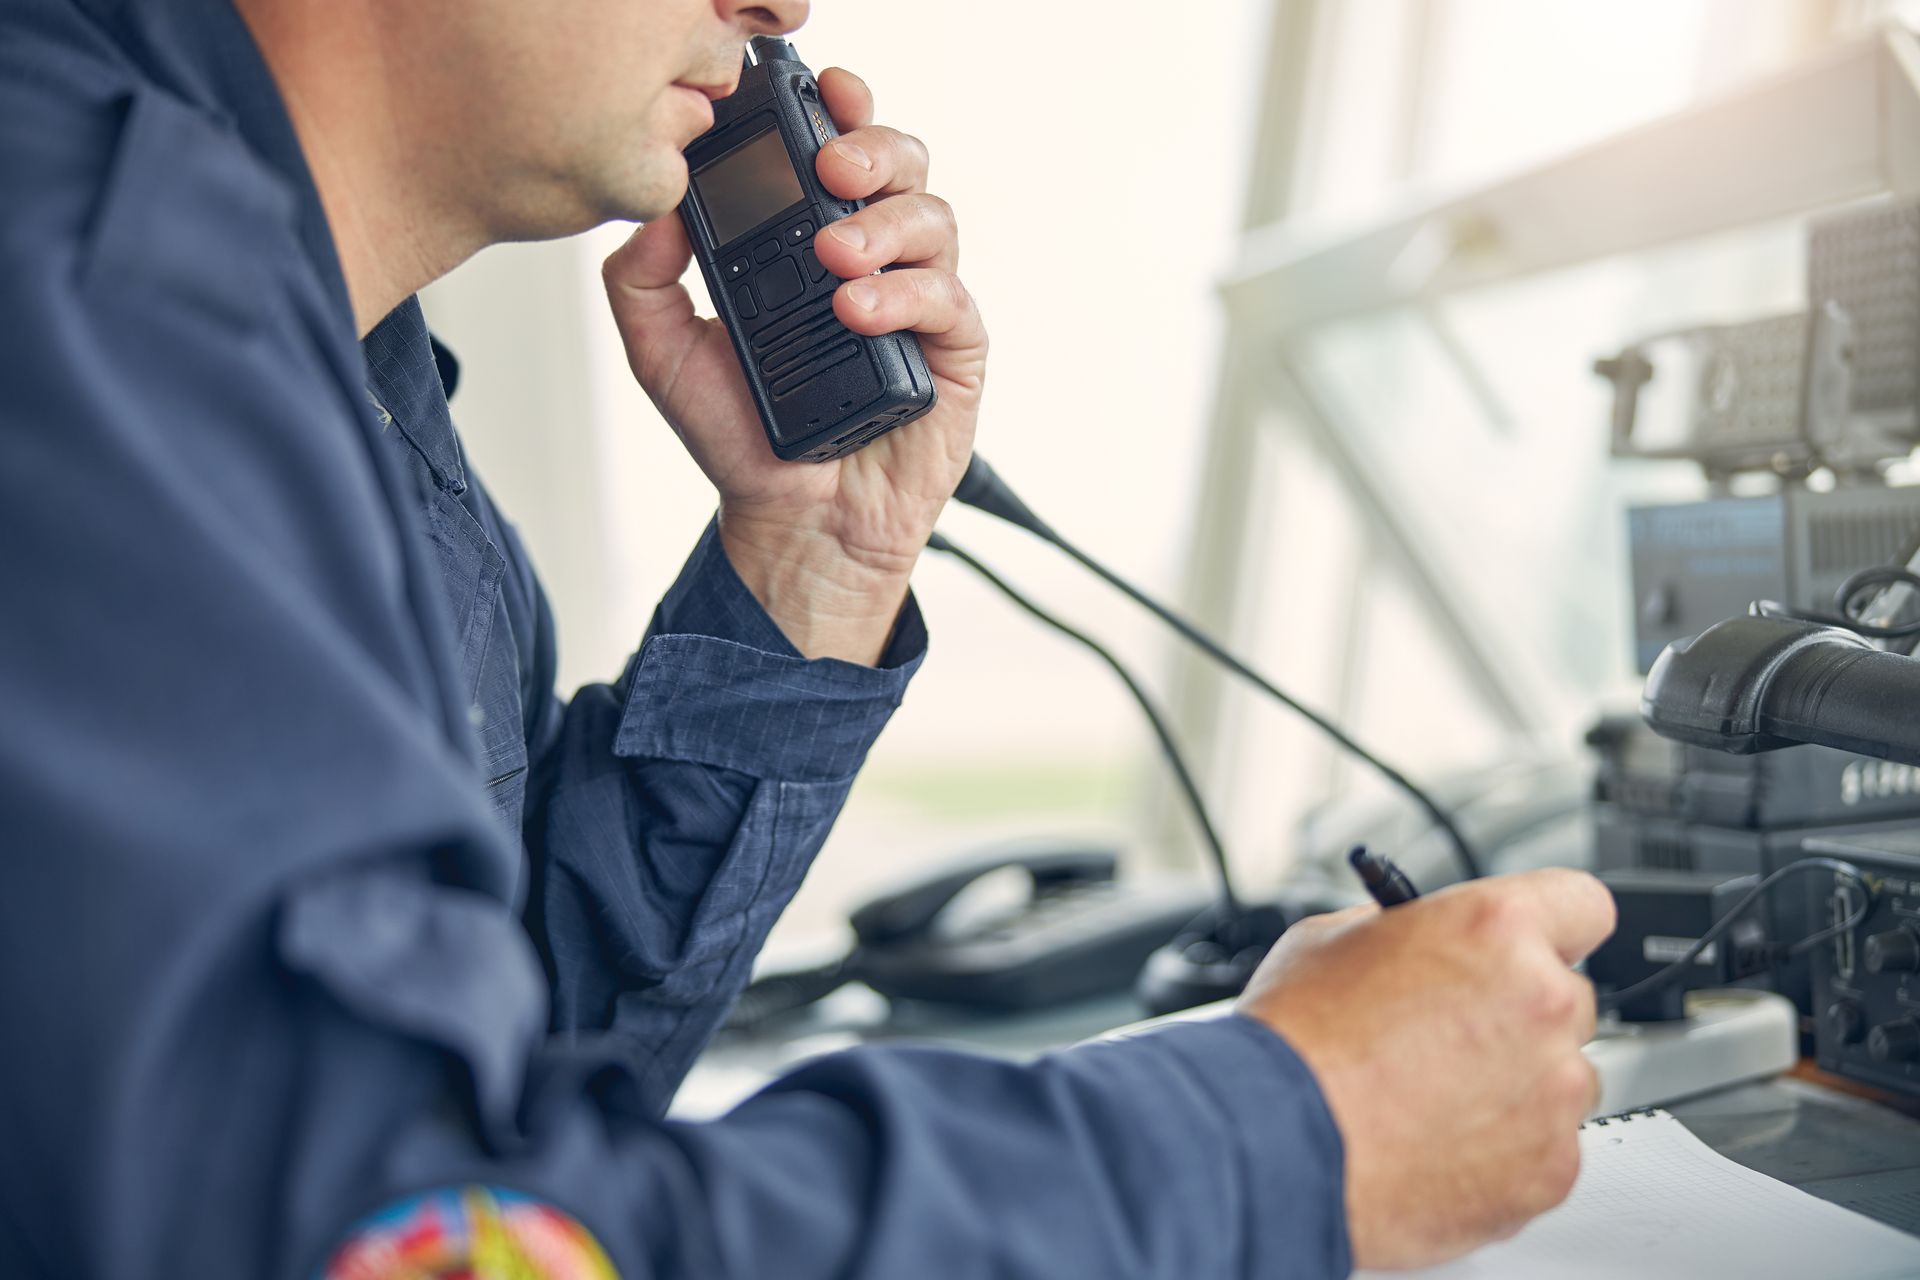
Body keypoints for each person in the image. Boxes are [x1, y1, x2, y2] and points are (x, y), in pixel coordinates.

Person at [0, 0, 1618, 1275]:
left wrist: (812, 567)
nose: (780, 5)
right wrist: (1294, 1129)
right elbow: (419, 1241)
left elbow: (487, 1058)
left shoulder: (346, 378)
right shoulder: (86, 305)